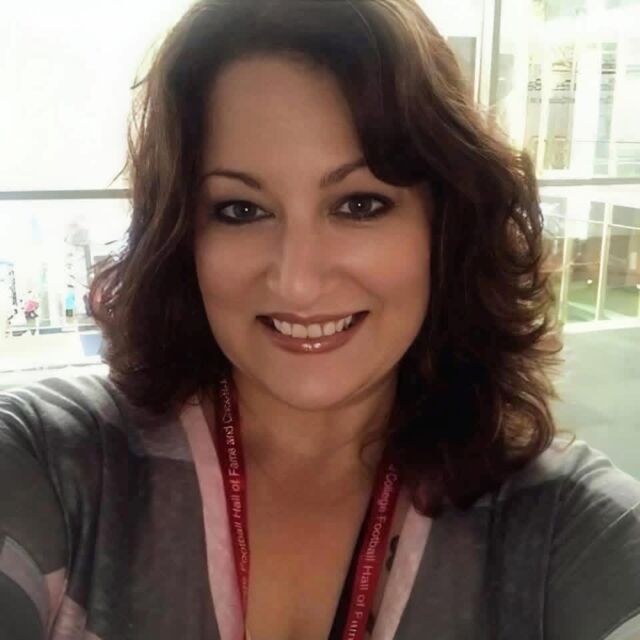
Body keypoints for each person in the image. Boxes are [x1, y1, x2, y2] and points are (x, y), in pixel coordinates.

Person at [0, 1, 639, 639]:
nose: (296, 281)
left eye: (359, 204)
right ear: (182, 235)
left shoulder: (562, 531)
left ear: (445, 225)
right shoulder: (54, 465)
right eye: (241, 210)